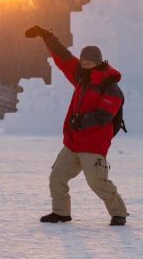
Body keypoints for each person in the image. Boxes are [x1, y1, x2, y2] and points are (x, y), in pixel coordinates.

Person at [25, 25, 128, 226]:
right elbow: (64, 59)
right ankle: (61, 212)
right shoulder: (81, 77)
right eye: (84, 61)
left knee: (97, 182)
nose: (86, 64)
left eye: (90, 62)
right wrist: (46, 35)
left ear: (98, 63)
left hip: (94, 145)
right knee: (56, 178)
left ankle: (119, 213)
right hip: (73, 143)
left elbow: (105, 115)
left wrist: (82, 121)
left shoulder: (109, 86)